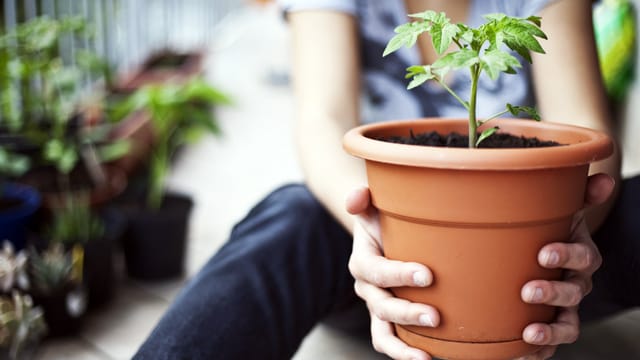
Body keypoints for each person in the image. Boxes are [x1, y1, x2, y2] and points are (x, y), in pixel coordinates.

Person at [134, 1, 630, 359]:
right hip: (380, 270)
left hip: (537, 263)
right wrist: (379, 235)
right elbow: (323, 122)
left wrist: (569, 230)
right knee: (292, 215)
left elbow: (588, 138)